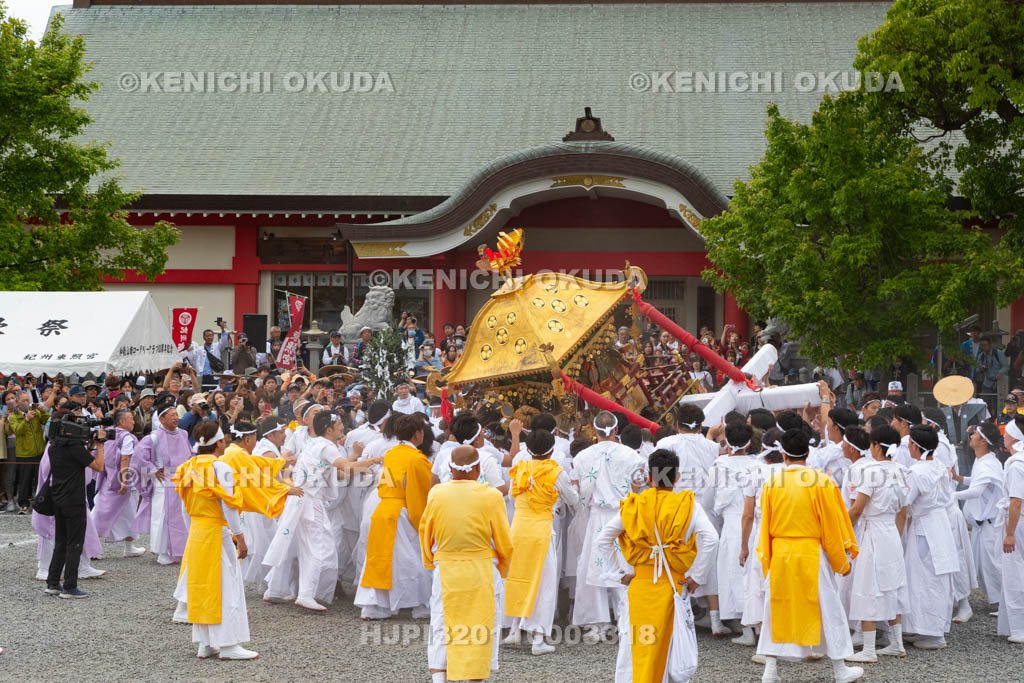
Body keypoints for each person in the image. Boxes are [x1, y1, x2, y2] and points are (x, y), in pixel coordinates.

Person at [596, 447, 718, 683]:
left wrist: (617, 573)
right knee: (671, 644)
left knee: (636, 644)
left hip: (640, 583)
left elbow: (604, 538)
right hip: (674, 584)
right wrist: (697, 577)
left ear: (649, 477)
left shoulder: (635, 505)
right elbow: (712, 539)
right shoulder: (688, 505)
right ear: (677, 477)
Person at [756, 428, 862, 683]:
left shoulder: (773, 481)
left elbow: (765, 525)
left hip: (781, 553)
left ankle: (770, 670)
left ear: (783, 455)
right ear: (808, 452)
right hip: (810, 553)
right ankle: (839, 669)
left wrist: (767, 558)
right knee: (829, 608)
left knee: (776, 608)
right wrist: (841, 559)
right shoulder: (821, 480)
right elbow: (832, 523)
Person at [419, 444, 514, 683]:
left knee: (442, 620)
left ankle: (439, 678)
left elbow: (425, 531)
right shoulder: (491, 495)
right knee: (480, 624)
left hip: (447, 568)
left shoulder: (436, 493)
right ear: (478, 468)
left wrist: (431, 561)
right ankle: (475, 678)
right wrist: (503, 567)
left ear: (450, 469)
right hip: (482, 568)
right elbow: (503, 538)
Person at [172, 420, 256, 660]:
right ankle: (228, 645)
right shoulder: (221, 469)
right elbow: (229, 507)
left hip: (198, 532)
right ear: (219, 442)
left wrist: (194, 531)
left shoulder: (188, 467)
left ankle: (206, 642)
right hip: (215, 531)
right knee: (225, 586)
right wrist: (240, 538)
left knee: (202, 588)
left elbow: (184, 508)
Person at [570, 411, 646, 641]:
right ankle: (627, 620)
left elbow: (577, 489)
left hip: (596, 517)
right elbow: (639, 485)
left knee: (595, 566)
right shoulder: (631, 455)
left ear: (594, 431)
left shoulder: (582, 456)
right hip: (622, 516)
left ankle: (597, 624)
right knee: (623, 565)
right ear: (616, 430)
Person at [503, 429, 578, 655]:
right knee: (544, 583)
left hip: (517, 528)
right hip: (541, 530)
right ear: (552, 451)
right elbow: (573, 499)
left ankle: (514, 629)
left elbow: (513, 498)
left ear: (527, 450)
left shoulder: (520, 469)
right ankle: (537, 639)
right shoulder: (556, 472)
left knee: (518, 578)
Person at [356, 414, 433, 620]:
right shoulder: (417, 458)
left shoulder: (392, 454)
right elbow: (419, 493)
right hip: (401, 512)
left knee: (380, 560)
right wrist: (422, 520)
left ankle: (377, 605)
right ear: (418, 434)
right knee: (412, 559)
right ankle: (422, 603)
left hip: (382, 508)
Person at [845, 425, 909, 662]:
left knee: (868, 587)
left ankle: (870, 650)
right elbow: (903, 512)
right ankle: (896, 643)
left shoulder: (871, 472)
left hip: (873, 532)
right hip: (891, 532)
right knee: (892, 587)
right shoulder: (902, 471)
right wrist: (896, 536)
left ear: (876, 446)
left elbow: (857, 509)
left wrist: (843, 533)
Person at [901, 425, 959, 650]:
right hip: (940, 522)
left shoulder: (917, 472)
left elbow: (904, 501)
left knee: (924, 579)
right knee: (935, 578)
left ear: (915, 445)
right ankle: (927, 628)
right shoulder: (937, 466)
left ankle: (933, 634)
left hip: (925, 526)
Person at [702, 421, 757, 637]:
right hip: (755, 521)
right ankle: (758, 625)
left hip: (732, 521)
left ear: (727, 441)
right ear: (749, 442)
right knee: (753, 573)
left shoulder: (719, 465)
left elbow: (707, 499)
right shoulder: (757, 464)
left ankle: (746, 629)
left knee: (734, 572)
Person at [45, 409, 106, 599]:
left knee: (61, 542)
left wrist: (89, 445)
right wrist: (100, 446)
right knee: (75, 543)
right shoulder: (74, 446)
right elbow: (98, 466)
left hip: (58, 498)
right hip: (74, 500)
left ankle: (53, 582)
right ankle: (70, 586)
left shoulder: (53, 445)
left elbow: (77, 459)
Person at [133, 395, 193, 564]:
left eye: (176, 414)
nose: (176, 417)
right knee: (162, 517)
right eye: (172, 415)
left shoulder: (183, 433)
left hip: (182, 479)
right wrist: (152, 470)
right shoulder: (154, 437)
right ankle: (163, 552)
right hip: (163, 479)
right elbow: (138, 456)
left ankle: (181, 550)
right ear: (161, 418)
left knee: (182, 515)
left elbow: (190, 455)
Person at [90, 409, 146, 557]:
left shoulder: (107, 433)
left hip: (109, 477)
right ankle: (89, 547)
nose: (133, 421)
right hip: (122, 480)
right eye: (130, 419)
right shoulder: (127, 437)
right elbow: (125, 458)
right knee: (100, 513)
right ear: (122, 421)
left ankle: (130, 547)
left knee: (129, 514)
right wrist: (125, 480)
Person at [998, 416, 1024, 644]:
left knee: (1015, 573)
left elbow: (1016, 500)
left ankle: (1019, 629)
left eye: (1006, 433)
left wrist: (1009, 533)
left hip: (1019, 524)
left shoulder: (1017, 465)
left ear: (1015, 436)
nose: (1003, 436)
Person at [8, 391, 49, 513]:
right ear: (17, 402)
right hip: (24, 454)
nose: (26, 403)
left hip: (39, 451)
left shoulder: (34, 411)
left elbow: (46, 420)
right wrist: (26, 420)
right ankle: (23, 505)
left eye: (27, 400)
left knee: (40, 479)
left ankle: (41, 503)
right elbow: (17, 431)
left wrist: (42, 411)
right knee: (24, 481)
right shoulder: (14, 416)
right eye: (23, 400)